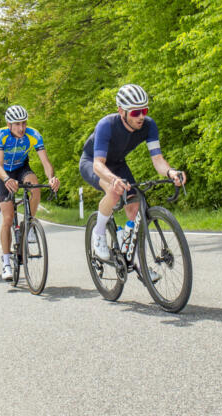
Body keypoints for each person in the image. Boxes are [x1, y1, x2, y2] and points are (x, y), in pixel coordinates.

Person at [79, 84, 187, 279]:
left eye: (144, 110)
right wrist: (113, 179)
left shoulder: (149, 125)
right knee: (113, 190)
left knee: (134, 207)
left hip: (118, 164)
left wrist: (171, 172)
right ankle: (99, 232)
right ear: (121, 111)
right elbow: (97, 164)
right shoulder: (107, 125)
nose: (141, 116)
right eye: (136, 112)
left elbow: (157, 159)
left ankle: (137, 262)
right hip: (93, 163)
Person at [0, 105, 60, 281]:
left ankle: (29, 223)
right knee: (7, 219)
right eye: (17, 124)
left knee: (35, 186)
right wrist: (7, 179)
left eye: (23, 123)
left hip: (22, 168)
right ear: (9, 124)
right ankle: (6, 262)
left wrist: (52, 178)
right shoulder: (1, 135)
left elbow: (45, 162)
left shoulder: (34, 134)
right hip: (4, 173)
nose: (21, 128)